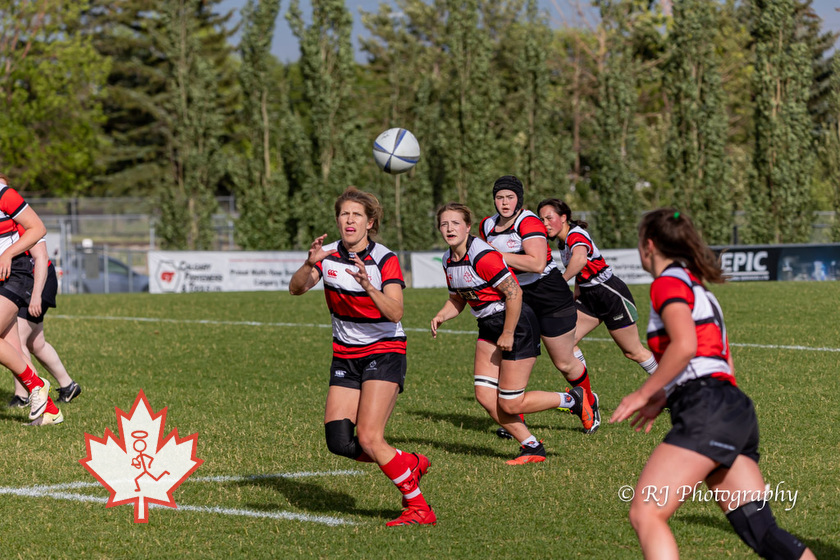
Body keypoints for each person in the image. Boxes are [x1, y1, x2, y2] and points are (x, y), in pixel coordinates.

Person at [610, 209, 815, 560]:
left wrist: (643, 392)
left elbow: (686, 345)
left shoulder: (668, 283)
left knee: (645, 512)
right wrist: (664, 394)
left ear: (649, 245)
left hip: (707, 409)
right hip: (733, 408)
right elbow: (721, 359)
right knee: (763, 532)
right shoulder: (697, 286)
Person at [289, 186, 435, 527]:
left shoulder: (385, 258)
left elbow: (396, 312)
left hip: (384, 351)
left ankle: (419, 508)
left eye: (356, 214)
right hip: (345, 355)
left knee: (369, 437)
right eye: (344, 214)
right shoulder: (326, 256)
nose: (349, 220)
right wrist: (309, 263)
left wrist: (370, 286)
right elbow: (296, 288)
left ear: (370, 222)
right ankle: (407, 463)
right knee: (339, 442)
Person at [431, 202, 593, 465]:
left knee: (510, 403)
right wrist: (441, 314)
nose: (449, 228)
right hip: (488, 325)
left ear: (468, 227)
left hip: (515, 325)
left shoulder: (482, 255)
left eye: (455, 223)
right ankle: (531, 446)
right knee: (484, 396)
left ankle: (573, 399)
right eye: (444, 224)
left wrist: (507, 332)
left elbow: (514, 293)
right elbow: (458, 299)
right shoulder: (447, 259)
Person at [479, 176, 599, 434]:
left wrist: (493, 256)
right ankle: (513, 416)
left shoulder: (529, 221)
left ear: (519, 199)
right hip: (514, 295)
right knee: (513, 356)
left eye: (510, 197)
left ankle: (587, 400)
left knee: (564, 362)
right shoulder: (486, 225)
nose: (504, 202)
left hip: (548, 294)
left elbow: (536, 264)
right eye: (500, 197)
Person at [536, 198, 658, 377]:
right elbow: (581, 270)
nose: (545, 224)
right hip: (588, 295)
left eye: (549, 218)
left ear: (563, 217)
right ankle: (586, 396)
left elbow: (580, 260)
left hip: (609, 293)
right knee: (566, 343)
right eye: (542, 220)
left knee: (633, 351)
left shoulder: (576, 235)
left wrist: (561, 284)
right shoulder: (562, 242)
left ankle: (675, 389)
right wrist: (574, 294)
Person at [0, 173, 62, 425]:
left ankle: (37, 386)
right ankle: (49, 411)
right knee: (12, 348)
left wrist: (8, 254)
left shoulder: (5, 195)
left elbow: (38, 228)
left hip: (15, 272)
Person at [8, 229, 81, 406]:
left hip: (38, 281)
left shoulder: (20, 219)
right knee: (36, 343)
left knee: (17, 341)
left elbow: (41, 257)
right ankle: (68, 386)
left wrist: (36, 296)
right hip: (25, 281)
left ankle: (24, 395)